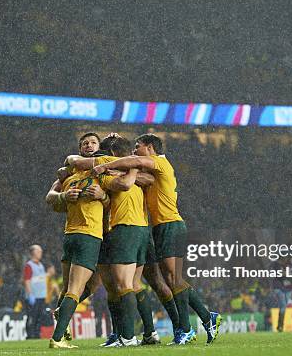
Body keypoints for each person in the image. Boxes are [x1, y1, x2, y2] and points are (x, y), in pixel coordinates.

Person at [92, 133, 222, 344]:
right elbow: (142, 175)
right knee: (169, 279)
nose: (135, 151)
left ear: (150, 148)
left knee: (173, 279)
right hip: (159, 227)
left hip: (170, 224)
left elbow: (135, 164)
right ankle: (207, 318)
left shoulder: (159, 162)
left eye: (138, 146)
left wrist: (104, 165)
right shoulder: (151, 170)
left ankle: (187, 328)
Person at [46, 143, 131, 348]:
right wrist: (104, 194)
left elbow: (53, 201)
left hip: (70, 236)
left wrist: (64, 196)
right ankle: (57, 338)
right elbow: (124, 185)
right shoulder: (99, 177)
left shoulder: (69, 179)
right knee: (75, 290)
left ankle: (62, 328)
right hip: (89, 236)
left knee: (70, 289)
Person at [23, 244, 47, 339]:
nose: (40, 253)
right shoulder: (29, 265)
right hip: (34, 296)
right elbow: (27, 281)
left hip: (41, 296)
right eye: (38, 251)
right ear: (33, 253)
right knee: (32, 317)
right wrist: (30, 294)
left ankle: (37, 334)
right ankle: (30, 335)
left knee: (39, 317)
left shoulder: (41, 265)